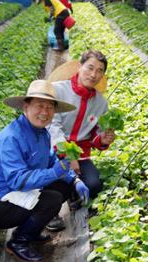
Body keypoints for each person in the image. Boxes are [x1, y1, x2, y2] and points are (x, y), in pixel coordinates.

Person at [0, 80, 89, 262]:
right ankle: (18, 242)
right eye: (39, 105)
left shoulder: (42, 132)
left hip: (16, 194)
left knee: (62, 186)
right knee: (52, 199)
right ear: (26, 106)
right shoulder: (12, 137)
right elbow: (18, 180)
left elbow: (51, 160)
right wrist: (55, 172)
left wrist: (74, 180)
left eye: (49, 107)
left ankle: (30, 229)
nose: (44, 112)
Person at [47, 50, 115, 218]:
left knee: (94, 184)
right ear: (79, 66)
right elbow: (52, 125)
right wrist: (68, 155)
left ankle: (73, 195)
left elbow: (95, 136)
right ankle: (49, 211)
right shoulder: (58, 90)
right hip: (53, 151)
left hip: (82, 155)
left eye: (100, 71)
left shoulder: (100, 103)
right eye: (90, 67)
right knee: (53, 181)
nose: (93, 74)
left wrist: (103, 139)